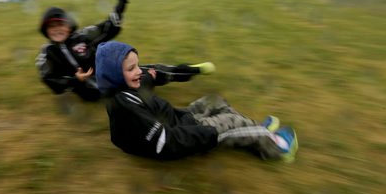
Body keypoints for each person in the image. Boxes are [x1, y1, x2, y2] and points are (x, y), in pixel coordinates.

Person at [95, 41, 298, 162]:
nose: (139, 71)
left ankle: (254, 130)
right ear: (114, 75)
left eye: (137, 65)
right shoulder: (125, 107)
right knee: (228, 123)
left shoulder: (129, 83)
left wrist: (192, 70)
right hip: (175, 138)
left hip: (176, 119)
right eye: (131, 68)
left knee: (214, 100)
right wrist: (206, 135)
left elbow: (157, 74)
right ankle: (277, 147)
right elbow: (164, 142)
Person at [35, 0, 212, 102]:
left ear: (68, 25)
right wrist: (75, 80)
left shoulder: (83, 36)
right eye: (51, 26)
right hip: (91, 91)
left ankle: (191, 70)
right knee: (132, 92)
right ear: (45, 30)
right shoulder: (47, 53)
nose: (57, 29)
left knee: (152, 71)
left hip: (108, 72)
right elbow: (50, 79)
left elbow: (109, 27)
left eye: (60, 24)